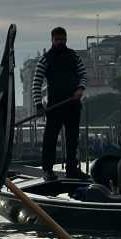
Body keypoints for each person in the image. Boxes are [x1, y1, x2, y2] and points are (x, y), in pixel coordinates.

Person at [31, 26, 88, 181]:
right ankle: (48, 171)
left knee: (72, 138)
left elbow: (83, 75)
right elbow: (36, 83)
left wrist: (80, 89)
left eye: (62, 40)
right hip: (54, 105)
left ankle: (71, 169)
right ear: (52, 40)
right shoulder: (45, 59)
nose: (60, 42)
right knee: (50, 139)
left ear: (66, 39)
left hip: (73, 103)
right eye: (57, 40)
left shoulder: (74, 56)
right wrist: (38, 105)